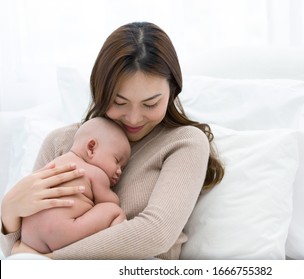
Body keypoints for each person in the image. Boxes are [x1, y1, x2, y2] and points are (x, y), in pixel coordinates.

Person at [1, 21, 224, 259]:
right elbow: (17, 250)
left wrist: (51, 262)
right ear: (100, 91)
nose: (134, 118)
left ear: (173, 91)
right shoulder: (61, 142)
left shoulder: (184, 143)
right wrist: (8, 212)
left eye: (150, 103)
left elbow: (156, 233)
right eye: (119, 102)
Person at [20, 117, 131, 254]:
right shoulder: (96, 174)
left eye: (122, 167)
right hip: (63, 233)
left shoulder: (54, 163)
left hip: (30, 238)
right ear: (91, 148)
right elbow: (110, 201)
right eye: (117, 161)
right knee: (114, 210)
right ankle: (115, 252)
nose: (119, 171)